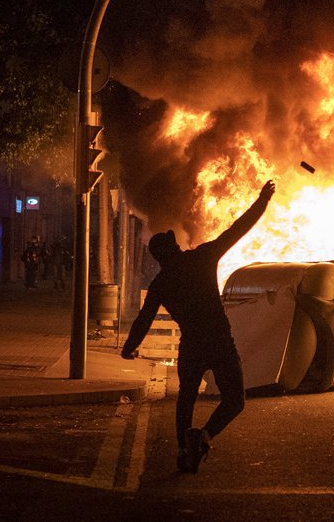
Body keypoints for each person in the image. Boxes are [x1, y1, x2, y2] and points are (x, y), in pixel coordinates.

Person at [121, 179, 275, 474]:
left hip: (192, 345)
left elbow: (144, 319)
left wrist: (130, 347)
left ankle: (183, 448)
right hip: (219, 341)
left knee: (186, 399)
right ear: (174, 247)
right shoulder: (203, 258)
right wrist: (262, 201)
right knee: (235, 400)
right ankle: (204, 435)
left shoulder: (161, 283)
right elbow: (237, 230)